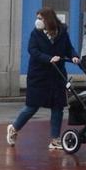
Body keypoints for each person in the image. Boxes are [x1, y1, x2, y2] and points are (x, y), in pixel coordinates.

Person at [6, 9, 79, 150]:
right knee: (32, 107)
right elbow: (33, 50)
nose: (38, 21)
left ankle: (55, 139)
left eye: (41, 18)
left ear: (49, 20)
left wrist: (74, 56)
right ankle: (14, 128)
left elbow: (69, 48)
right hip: (39, 76)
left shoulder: (62, 32)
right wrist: (48, 58)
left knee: (58, 107)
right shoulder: (36, 34)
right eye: (37, 18)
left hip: (57, 76)